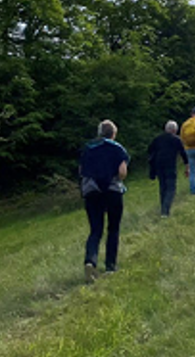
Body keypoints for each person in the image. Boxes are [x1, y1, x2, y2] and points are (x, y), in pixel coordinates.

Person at [78, 119, 129, 282]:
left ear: (99, 133)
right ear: (113, 134)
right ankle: (110, 266)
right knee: (113, 228)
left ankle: (90, 261)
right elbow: (122, 172)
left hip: (92, 192)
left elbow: (81, 170)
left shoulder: (88, 148)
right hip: (112, 191)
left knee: (95, 230)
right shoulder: (118, 149)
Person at [148, 120, 189, 218]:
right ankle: (165, 210)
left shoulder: (158, 139)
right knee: (171, 188)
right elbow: (183, 153)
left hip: (159, 165)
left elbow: (150, 150)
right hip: (170, 165)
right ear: (175, 130)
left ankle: (163, 209)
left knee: (163, 187)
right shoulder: (176, 139)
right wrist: (187, 166)